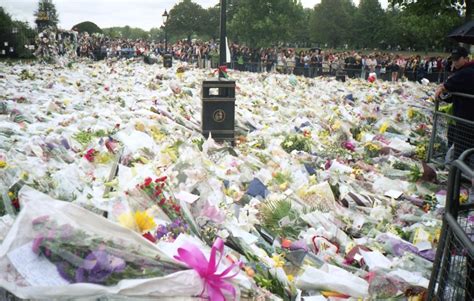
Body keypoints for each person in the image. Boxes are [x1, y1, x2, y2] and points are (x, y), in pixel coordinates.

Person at [435, 46, 474, 161]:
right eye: (453, 59)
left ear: (466, 58)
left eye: (457, 59)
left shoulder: (466, 72)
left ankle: (459, 176)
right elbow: (450, 93)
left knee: (462, 150)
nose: (454, 62)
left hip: (466, 118)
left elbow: (448, 85)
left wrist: (442, 88)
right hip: (464, 116)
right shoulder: (464, 71)